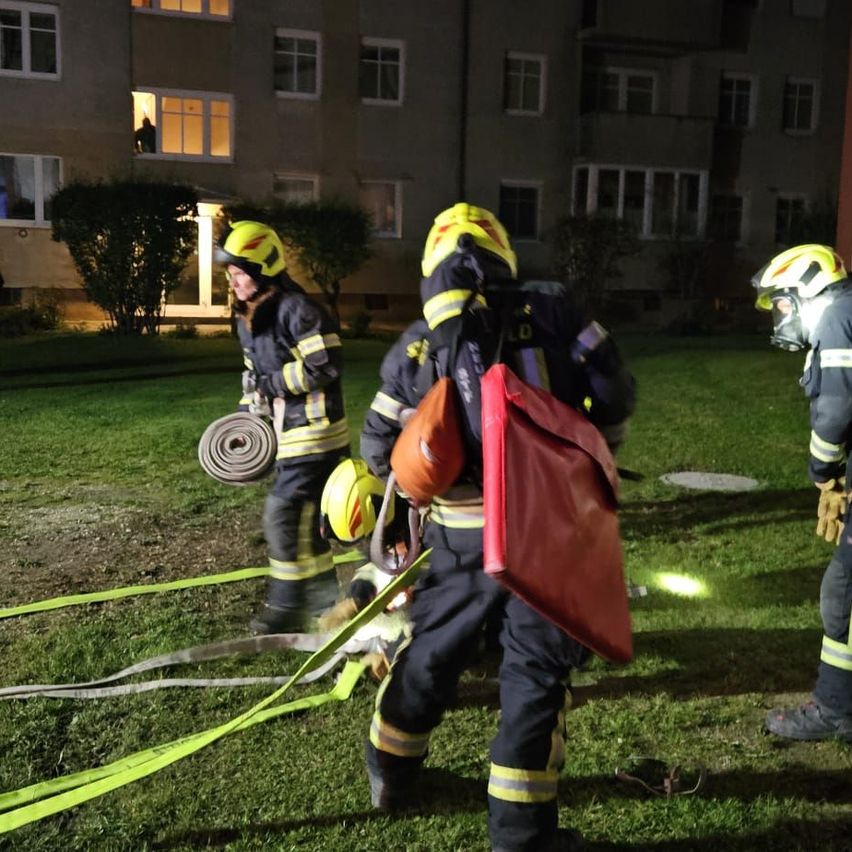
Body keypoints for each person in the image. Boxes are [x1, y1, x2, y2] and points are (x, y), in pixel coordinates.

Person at [362, 203, 636, 851]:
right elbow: (614, 391)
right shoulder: (557, 312)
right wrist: (592, 448)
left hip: (458, 537)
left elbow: (379, 447)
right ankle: (520, 837)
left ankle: (391, 774)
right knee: (535, 679)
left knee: (432, 654)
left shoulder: (418, 342)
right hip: (547, 531)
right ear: (505, 255)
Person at [215, 220, 350, 634]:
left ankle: (286, 606)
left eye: (240, 273)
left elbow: (325, 364)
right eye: (230, 273)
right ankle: (325, 601)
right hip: (288, 436)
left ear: (262, 268)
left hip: (316, 435)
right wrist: (245, 420)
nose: (233, 281)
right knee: (308, 525)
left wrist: (272, 385)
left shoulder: (298, 310)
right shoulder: (249, 317)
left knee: (282, 515)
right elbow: (252, 377)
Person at [752, 243, 852, 742]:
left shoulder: (836, 318)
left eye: (781, 303)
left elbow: (836, 411)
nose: (780, 316)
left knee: (843, 596)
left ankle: (836, 709)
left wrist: (824, 471)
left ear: (808, 289)